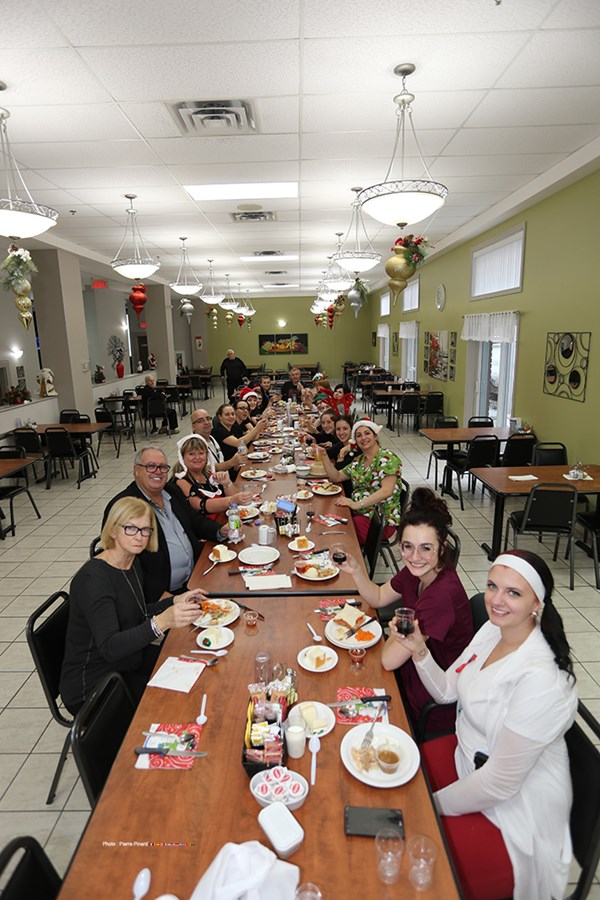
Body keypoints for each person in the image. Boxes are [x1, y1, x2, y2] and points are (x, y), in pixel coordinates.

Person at [400, 549, 577, 900]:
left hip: (512, 812)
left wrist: (428, 804)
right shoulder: (493, 631)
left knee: (408, 865)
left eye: (514, 593)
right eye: (493, 586)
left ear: (537, 603)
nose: (496, 600)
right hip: (467, 761)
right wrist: (419, 649)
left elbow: (498, 786)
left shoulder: (542, 680)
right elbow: (449, 689)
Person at [343, 488, 473, 731]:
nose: (415, 556)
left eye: (426, 548)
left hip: (426, 702)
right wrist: (357, 572)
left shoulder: (441, 595)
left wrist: (393, 634)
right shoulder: (418, 572)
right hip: (408, 671)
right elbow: (379, 597)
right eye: (407, 547)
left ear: (442, 549)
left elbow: (389, 660)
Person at [60, 497, 205, 714]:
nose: (139, 537)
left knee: (198, 669)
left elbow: (136, 611)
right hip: (95, 684)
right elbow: (110, 647)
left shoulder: (131, 561)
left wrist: (174, 600)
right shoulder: (94, 580)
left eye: (145, 530)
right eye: (130, 528)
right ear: (112, 531)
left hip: (128, 660)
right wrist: (161, 622)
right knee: (179, 704)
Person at [103, 447, 226, 602]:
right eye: (150, 466)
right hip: (160, 595)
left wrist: (221, 530)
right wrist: (168, 600)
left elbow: (195, 521)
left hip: (196, 578)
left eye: (162, 467)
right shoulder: (124, 506)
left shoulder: (171, 491)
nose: (158, 471)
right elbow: (125, 567)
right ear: (136, 470)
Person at [313, 418, 403, 544]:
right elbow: (336, 477)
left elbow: (386, 491)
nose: (363, 438)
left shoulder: (387, 458)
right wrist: (324, 456)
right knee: (326, 520)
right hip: (360, 512)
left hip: (379, 520)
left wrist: (357, 504)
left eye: (367, 433)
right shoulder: (359, 460)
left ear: (375, 436)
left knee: (341, 535)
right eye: (358, 435)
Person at [172, 434, 253, 520]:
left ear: (207, 456)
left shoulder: (208, 473)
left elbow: (238, 499)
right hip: (208, 529)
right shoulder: (181, 480)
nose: (197, 457)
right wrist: (230, 500)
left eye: (201, 453)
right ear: (182, 457)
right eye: (191, 454)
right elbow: (201, 505)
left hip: (223, 519)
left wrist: (227, 484)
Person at [190, 407, 243, 474]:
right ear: (193, 427)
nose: (206, 422)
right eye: (200, 421)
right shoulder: (193, 444)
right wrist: (232, 462)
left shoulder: (211, 437)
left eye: (208, 418)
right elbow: (206, 469)